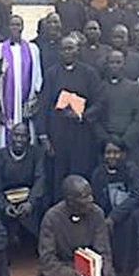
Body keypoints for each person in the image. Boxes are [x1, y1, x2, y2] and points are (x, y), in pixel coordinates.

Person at [33, 175, 115, 276]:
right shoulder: (51, 218)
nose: (91, 200)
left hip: (90, 268)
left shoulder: (97, 213)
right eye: (85, 197)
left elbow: (103, 250)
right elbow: (47, 258)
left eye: (91, 194)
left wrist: (99, 272)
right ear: (70, 201)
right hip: (63, 267)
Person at [40, 35, 102, 184]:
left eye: (70, 48)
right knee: (58, 178)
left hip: (82, 134)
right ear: (59, 52)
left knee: (80, 176)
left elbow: (99, 103)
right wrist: (44, 137)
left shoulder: (90, 73)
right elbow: (43, 106)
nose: (67, 52)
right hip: (57, 134)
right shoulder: (51, 74)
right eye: (64, 49)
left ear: (77, 50)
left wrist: (81, 115)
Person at [89, 141, 139, 276]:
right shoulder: (98, 174)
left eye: (116, 152)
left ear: (123, 154)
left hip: (128, 215)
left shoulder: (131, 170)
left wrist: (114, 217)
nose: (112, 156)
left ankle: (127, 271)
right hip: (106, 216)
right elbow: (95, 200)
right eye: (108, 152)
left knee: (133, 220)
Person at [0, 122, 47, 253]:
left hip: (29, 199)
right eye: (16, 135)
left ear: (29, 139)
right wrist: (5, 206)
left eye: (23, 136)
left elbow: (40, 180)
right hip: (5, 200)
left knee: (45, 203)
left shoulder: (37, 154)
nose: (19, 140)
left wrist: (30, 203)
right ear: (10, 137)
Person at [0, 14, 42, 150]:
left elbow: (37, 78)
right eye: (12, 24)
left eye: (18, 24)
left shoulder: (33, 49)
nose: (15, 27)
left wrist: (34, 104)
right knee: (2, 140)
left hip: (25, 105)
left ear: (23, 27)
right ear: (8, 27)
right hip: (5, 105)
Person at [94, 50, 139, 156]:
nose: (115, 66)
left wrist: (124, 141)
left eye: (118, 62)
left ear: (124, 65)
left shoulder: (133, 88)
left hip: (128, 145)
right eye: (112, 62)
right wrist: (107, 139)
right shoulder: (100, 88)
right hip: (106, 146)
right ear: (107, 65)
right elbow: (95, 118)